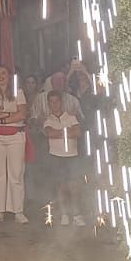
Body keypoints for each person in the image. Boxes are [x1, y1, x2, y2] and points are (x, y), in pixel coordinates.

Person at [0, 65, 29, 223]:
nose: (1, 76)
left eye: (4, 73)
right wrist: (10, 115)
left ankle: (18, 211)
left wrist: (2, 118)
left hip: (15, 136)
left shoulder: (18, 92)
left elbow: (22, 114)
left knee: (16, 174)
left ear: (9, 76)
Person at [40, 90, 86, 227]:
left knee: (74, 187)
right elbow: (50, 134)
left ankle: (77, 214)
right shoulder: (48, 120)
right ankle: (65, 214)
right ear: (49, 104)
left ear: (61, 102)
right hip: (56, 156)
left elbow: (78, 132)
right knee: (60, 187)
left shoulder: (71, 117)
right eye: (52, 102)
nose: (54, 104)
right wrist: (67, 131)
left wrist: (59, 132)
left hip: (72, 156)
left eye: (57, 101)